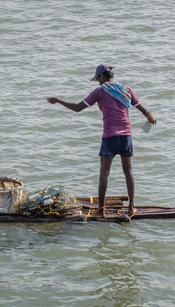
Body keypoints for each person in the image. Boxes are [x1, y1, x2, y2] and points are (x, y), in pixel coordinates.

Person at [47, 64, 157, 216]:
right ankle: (131, 208)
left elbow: (78, 108)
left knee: (104, 174)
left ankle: (101, 210)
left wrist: (58, 100)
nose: (97, 82)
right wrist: (151, 119)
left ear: (101, 77)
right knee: (128, 171)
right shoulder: (126, 90)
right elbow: (145, 111)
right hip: (126, 137)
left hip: (110, 138)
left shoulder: (100, 91)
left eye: (97, 79)